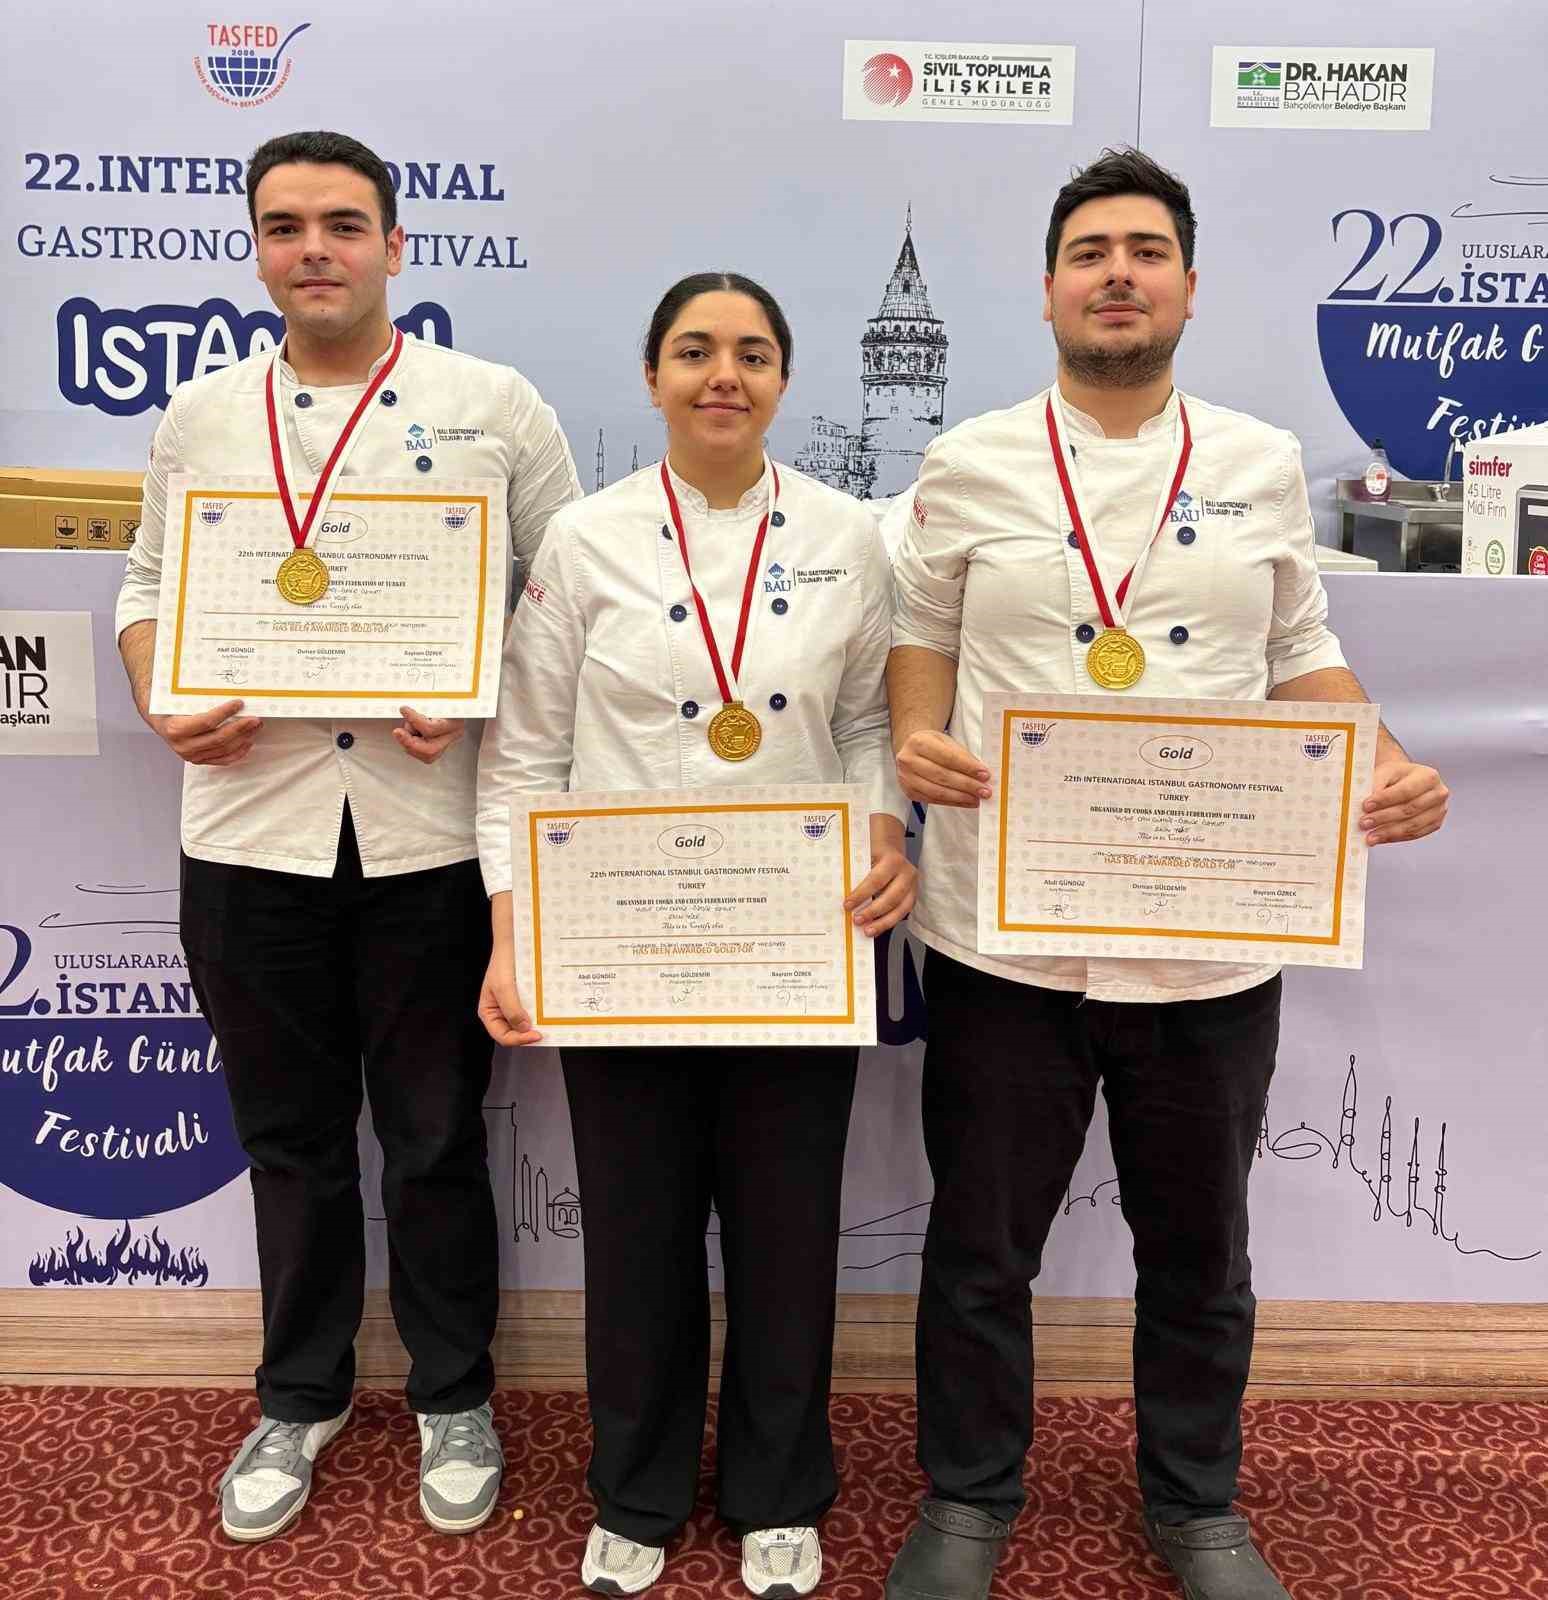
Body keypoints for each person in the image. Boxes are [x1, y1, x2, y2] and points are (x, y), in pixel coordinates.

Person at [881, 149, 1449, 1600]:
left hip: (1208, 936)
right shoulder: (969, 460)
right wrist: (917, 732)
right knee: (981, 1245)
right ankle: (968, 1496)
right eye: (1090, 252)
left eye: (1145, 251)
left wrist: (1384, 759)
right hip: (1005, 933)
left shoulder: (1257, 461)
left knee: (1200, 1248)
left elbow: (1301, 649)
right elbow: (920, 631)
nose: (1117, 274)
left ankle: (1197, 1502)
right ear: (1050, 289)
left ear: (1190, 286)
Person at [114, 130, 580, 1543]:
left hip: (428, 837)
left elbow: (564, 597)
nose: (313, 249)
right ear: (257, 248)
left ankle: (455, 1394)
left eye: (342, 223)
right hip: (248, 832)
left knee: (434, 1139)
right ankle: (299, 1395)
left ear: (394, 244)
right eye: (285, 226)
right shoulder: (202, 413)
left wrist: (476, 681)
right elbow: (146, 586)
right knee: (290, 1140)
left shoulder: (493, 405)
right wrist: (160, 695)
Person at [476, 272, 915, 1597]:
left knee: (787, 1231)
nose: (724, 374)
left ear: (783, 379)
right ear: (654, 376)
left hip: (796, 940)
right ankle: (637, 1488)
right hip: (620, 944)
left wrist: (883, 834)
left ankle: (779, 1489)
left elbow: (867, 724)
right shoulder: (585, 541)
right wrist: (511, 932)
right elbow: (524, 756)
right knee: (636, 1231)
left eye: (752, 353)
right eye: (694, 351)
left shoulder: (849, 536)